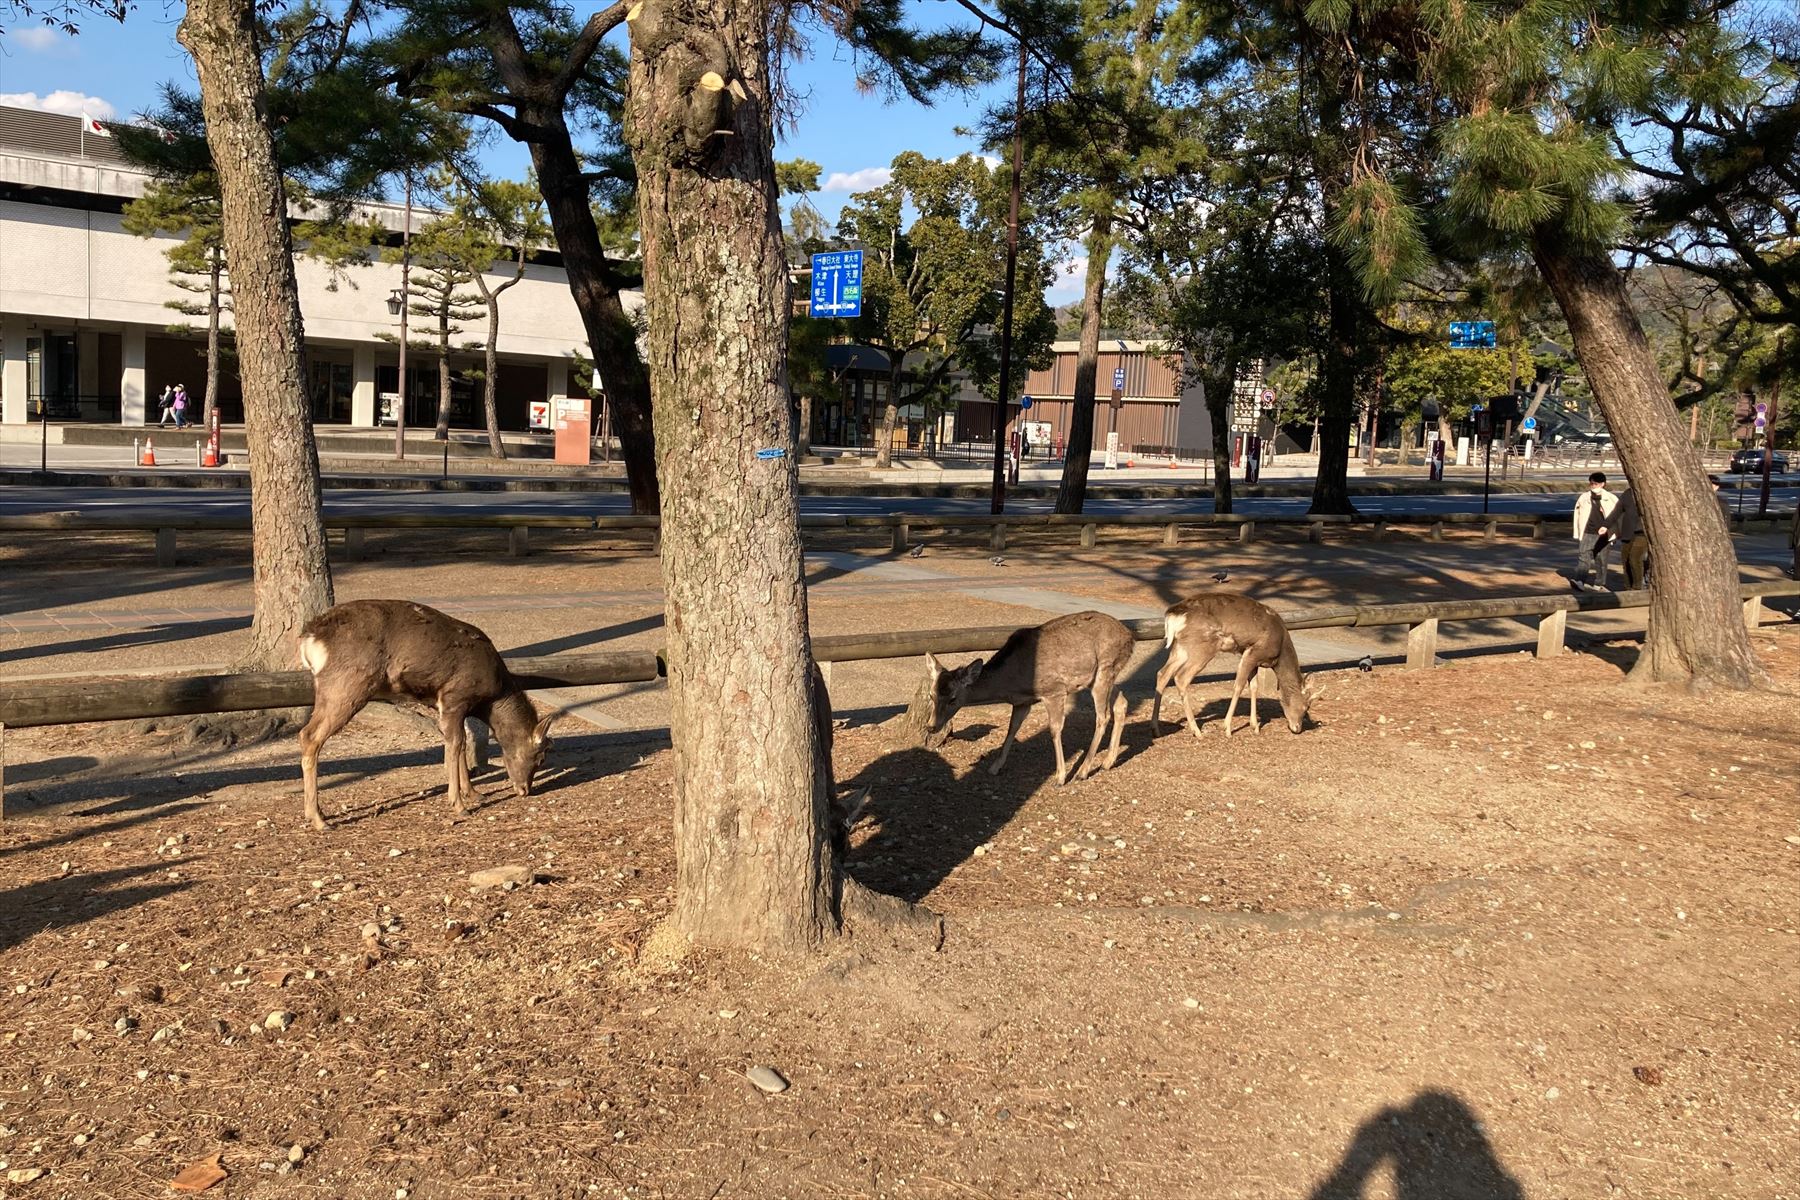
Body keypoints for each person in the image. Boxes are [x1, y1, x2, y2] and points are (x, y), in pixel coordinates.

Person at [1569, 471, 1618, 591]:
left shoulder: (1611, 498)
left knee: (1601, 559)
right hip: (1588, 531)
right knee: (1583, 556)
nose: (1593, 486)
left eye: (1595, 484)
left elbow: (1617, 516)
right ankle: (1580, 580)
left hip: (1604, 533)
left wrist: (1614, 533)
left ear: (1603, 484)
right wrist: (1578, 531)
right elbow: (1578, 515)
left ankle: (1599, 583)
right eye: (1591, 483)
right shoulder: (1584, 497)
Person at [1613, 485, 1649, 589]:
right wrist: (1605, 526)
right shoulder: (1627, 494)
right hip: (1627, 532)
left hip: (1642, 533)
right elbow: (1616, 512)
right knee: (1625, 560)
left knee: (1635, 558)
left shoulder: (1649, 494)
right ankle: (1627, 586)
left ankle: (1637, 586)